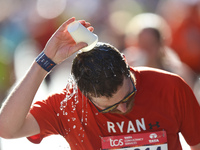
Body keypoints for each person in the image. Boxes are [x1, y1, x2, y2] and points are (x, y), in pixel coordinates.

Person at [0, 17, 200, 150]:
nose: (123, 108)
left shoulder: (171, 87)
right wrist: (45, 61)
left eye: (129, 94)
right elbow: (7, 129)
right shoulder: (70, 105)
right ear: (83, 94)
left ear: (126, 65)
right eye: (109, 107)